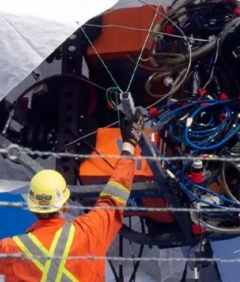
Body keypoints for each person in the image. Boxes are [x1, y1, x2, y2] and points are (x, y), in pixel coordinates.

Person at [0, 115, 145, 282]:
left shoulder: (10, 250)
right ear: (64, 205)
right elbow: (114, 197)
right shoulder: (88, 232)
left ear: (33, 208)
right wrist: (129, 144)